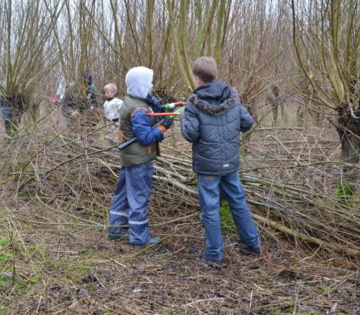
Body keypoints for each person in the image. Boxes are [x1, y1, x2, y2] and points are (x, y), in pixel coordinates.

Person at [180, 56, 260, 263]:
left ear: (197, 79)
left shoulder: (193, 103)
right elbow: (247, 123)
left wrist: (183, 117)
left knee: (210, 209)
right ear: (215, 74)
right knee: (238, 202)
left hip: (208, 166)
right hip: (230, 162)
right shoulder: (232, 98)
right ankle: (253, 243)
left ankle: (214, 253)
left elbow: (190, 135)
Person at [108, 66, 173, 247]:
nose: (151, 85)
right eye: (148, 83)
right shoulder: (140, 109)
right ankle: (140, 237)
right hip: (139, 159)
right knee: (139, 196)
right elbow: (145, 138)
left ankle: (116, 229)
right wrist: (163, 127)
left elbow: (145, 122)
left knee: (122, 193)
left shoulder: (131, 100)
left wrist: (155, 104)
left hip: (129, 157)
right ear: (140, 85)